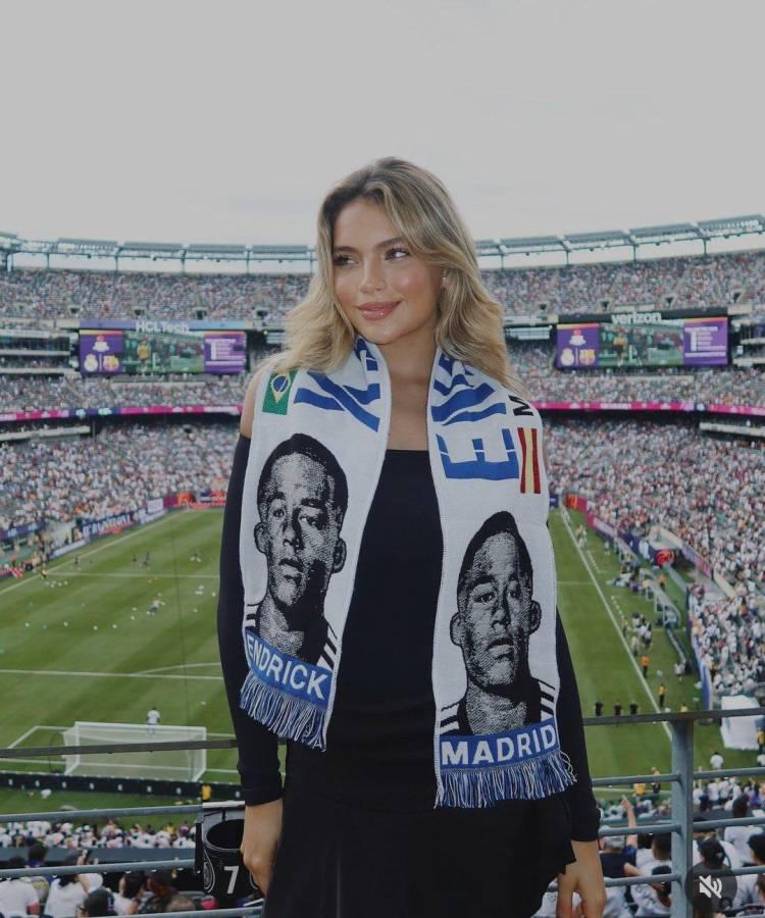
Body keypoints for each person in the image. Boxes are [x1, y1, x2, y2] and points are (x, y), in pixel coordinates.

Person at [218, 157, 605, 917]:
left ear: (441, 261)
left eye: (395, 253)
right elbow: (241, 602)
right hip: (338, 793)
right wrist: (261, 792)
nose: (370, 283)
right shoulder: (282, 397)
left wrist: (580, 833)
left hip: (479, 802)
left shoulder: (503, 418)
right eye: (345, 259)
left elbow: (539, 642)